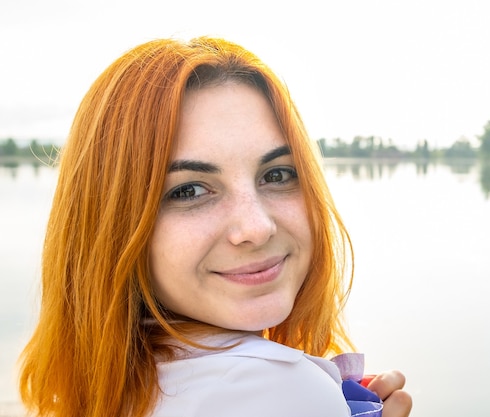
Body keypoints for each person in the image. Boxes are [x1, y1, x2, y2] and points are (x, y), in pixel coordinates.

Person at [19, 36, 412, 417]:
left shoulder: (105, 382)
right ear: (111, 223)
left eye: (276, 175)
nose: (256, 228)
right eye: (189, 190)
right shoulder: (276, 390)